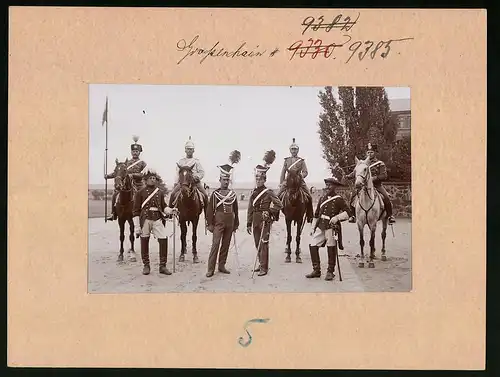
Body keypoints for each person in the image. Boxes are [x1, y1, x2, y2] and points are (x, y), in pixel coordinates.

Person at [306, 171, 349, 281]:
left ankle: (330, 271)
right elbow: (316, 214)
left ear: (334, 186)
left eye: (330, 185)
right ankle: (316, 270)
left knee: (331, 246)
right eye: (327, 185)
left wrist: (337, 218)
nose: (328, 187)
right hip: (321, 225)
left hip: (331, 226)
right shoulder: (322, 198)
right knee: (313, 244)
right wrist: (313, 227)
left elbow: (349, 213)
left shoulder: (338, 199)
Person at [133, 168, 176, 276]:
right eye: (150, 178)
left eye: (154, 178)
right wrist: (137, 226)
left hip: (157, 219)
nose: (153, 180)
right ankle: (146, 265)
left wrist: (171, 210)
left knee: (163, 239)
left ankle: (162, 266)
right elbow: (136, 211)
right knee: (144, 241)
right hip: (145, 219)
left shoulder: (160, 192)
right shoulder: (140, 193)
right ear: (146, 180)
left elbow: (163, 207)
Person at [246, 165, 283, 276]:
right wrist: (249, 223)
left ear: (264, 180)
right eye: (257, 179)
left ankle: (264, 268)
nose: (258, 181)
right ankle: (261, 263)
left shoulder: (268, 192)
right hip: (255, 220)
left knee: (264, 243)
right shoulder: (253, 192)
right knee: (257, 243)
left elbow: (279, 204)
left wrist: (270, 211)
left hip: (264, 219)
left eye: (261, 179)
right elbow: (250, 208)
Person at [346, 143, 395, 224]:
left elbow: (384, 175)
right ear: (366, 153)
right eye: (368, 152)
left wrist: (373, 178)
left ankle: (390, 216)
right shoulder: (362, 163)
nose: (369, 154)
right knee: (353, 196)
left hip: (377, 186)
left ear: (375, 153)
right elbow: (356, 172)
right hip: (363, 186)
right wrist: (348, 176)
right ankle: (353, 216)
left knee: (386, 197)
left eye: (371, 152)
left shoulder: (380, 163)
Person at [206, 164, 239, 277]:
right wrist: (209, 223)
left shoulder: (232, 194)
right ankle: (210, 268)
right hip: (218, 221)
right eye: (224, 179)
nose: (226, 182)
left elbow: (236, 210)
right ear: (220, 180)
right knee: (215, 244)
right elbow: (210, 210)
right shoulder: (215, 194)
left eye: (227, 180)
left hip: (230, 222)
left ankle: (221, 265)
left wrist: (236, 224)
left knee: (226, 244)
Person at [104, 136, 147, 221]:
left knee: (144, 195)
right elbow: (119, 173)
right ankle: (113, 213)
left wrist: (133, 175)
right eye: (133, 151)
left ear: (139, 152)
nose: (135, 153)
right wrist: (108, 176)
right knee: (115, 194)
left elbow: (144, 174)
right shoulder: (127, 163)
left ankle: (145, 213)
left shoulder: (142, 163)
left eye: (137, 151)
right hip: (126, 184)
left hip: (138, 184)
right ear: (131, 152)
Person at [168, 136, 209, 215]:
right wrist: (176, 182)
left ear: (193, 151)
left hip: (195, 183)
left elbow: (202, 172)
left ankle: (207, 216)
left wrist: (197, 176)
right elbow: (178, 173)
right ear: (185, 150)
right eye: (188, 149)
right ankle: (170, 213)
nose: (189, 151)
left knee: (205, 195)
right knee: (173, 194)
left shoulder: (196, 162)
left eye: (191, 149)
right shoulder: (181, 161)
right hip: (183, 183)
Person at [276, 138, 314, 222]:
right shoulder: (286, 160)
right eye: (292, 149)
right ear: (290, 150)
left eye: (295, 149)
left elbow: (305, 172)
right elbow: (283, 172)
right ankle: (276, 214)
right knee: (278, 195)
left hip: (299, 181)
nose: (294, 151)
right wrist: (281, 183)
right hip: (288, 181)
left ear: (298, 150)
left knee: (309, 196)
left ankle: (309, 215)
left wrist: (300, 176)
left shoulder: (301, 161)